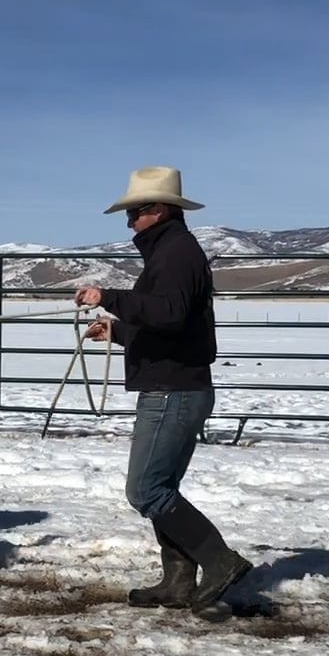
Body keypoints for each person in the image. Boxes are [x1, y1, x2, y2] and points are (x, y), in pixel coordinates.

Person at [75, 166, 252, 620]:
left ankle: (219, 561)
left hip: (172, 390)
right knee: (162, 486)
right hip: (175, 383)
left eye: (134, 213)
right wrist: (117, 332)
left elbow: (169, 314)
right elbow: (169, 324)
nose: (129, 222)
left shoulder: (174, 254)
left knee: (146, 490)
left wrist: (109, 297)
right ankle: (178, 580)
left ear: (158, 210)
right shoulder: (172, 253)